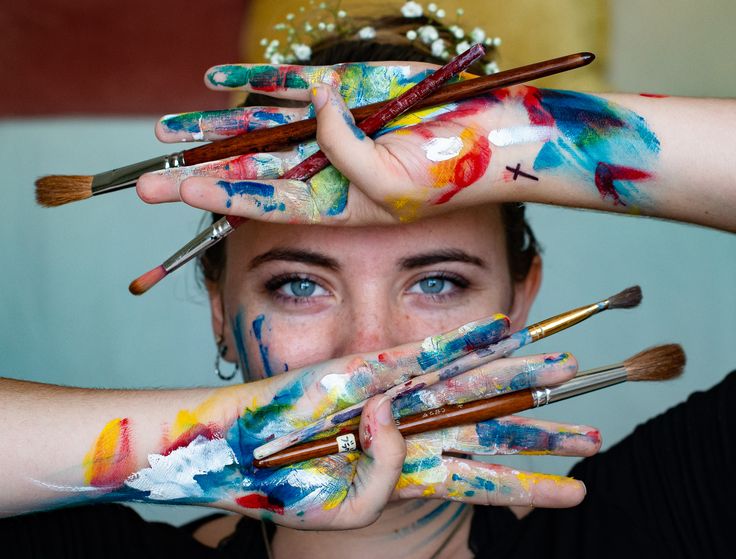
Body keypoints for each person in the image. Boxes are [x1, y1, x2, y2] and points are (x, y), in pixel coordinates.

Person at [1, 8, 734, 559]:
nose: (368, 352)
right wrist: (210, 441)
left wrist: (528, 135)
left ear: (522, 298)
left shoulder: (668, 517)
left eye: (439, 283)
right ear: (222, 308)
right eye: (297, 285)